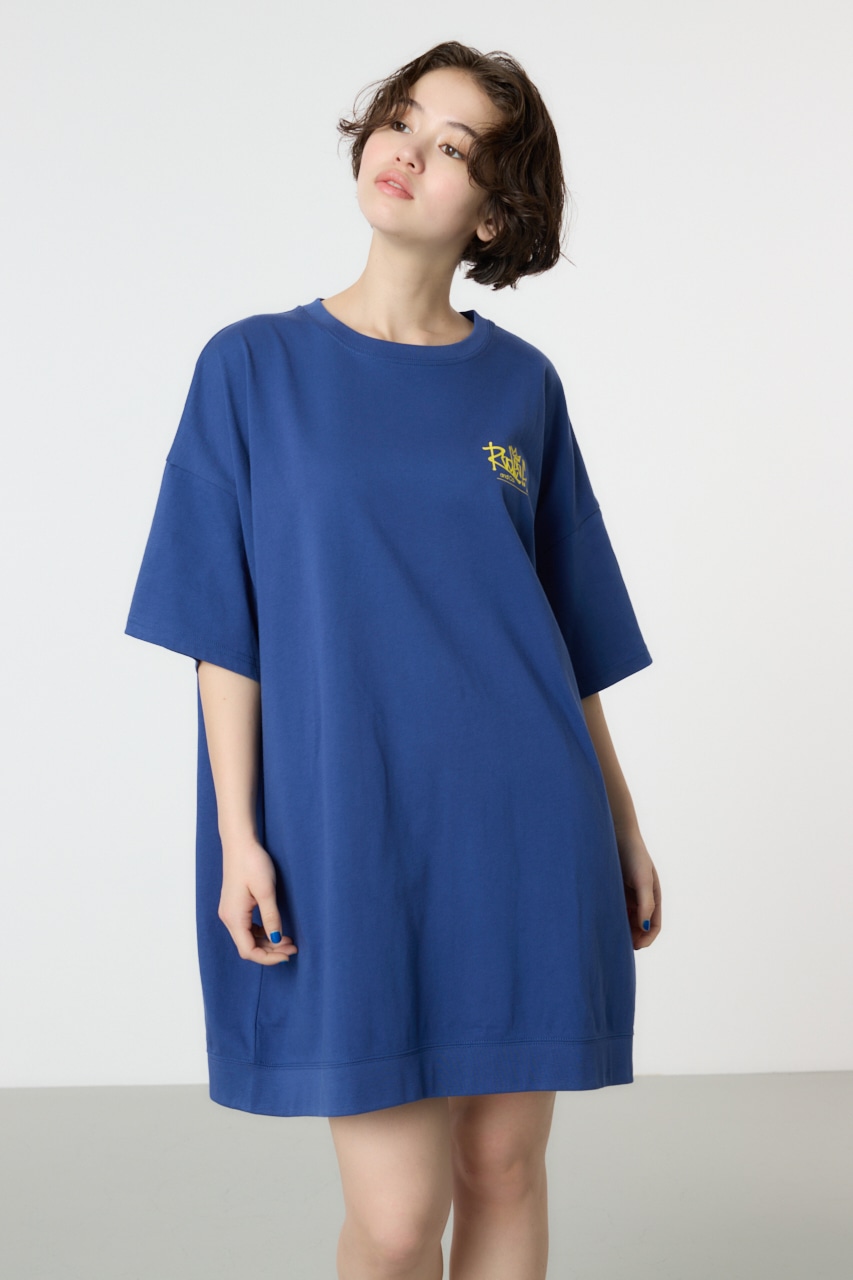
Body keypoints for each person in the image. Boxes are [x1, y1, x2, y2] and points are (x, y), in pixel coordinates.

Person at [124, 39, 662, 1280]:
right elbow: (220, 629)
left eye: (454, 145)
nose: (408, 151)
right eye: (403, 119)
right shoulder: (250, 366)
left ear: (496, 210)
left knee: (505, 1171)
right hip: (346, 831)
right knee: (395, 1217)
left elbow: (565, 631)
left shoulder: (521, 386)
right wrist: (240, 835)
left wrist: (622, 822)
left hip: (523, 825)